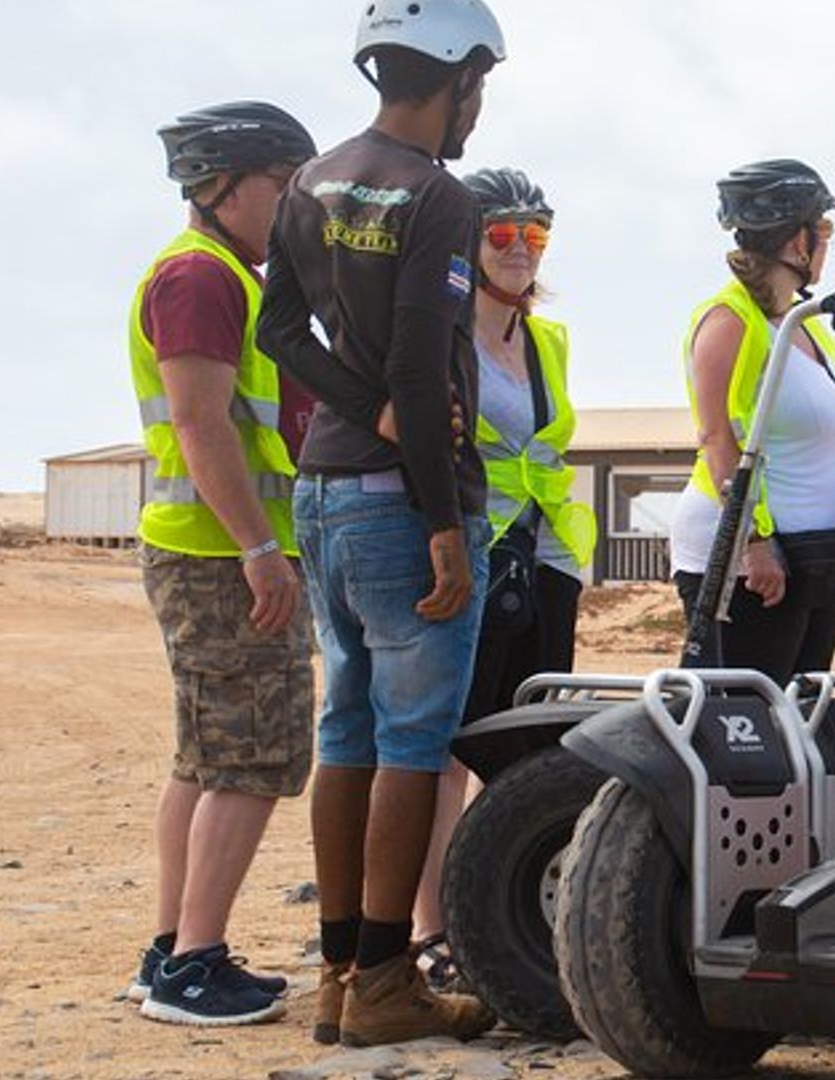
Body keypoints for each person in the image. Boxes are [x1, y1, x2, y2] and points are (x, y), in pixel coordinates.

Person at [256, 0, 504, 1048]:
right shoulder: (437, 197)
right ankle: (390, 986)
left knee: (346, 729)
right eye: (478, 89)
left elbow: (276, 330)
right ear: (455, 80)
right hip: (403, 503)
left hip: (322, 493)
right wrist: (443, 519)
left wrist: (360, 410)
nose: (478, 111)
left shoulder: (313, 179)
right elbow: (412, 358)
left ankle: (341, 978)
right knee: (411, 741)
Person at [126, 100, 318, 1028]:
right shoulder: (201, 277)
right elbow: (202, 424)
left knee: (206, 758)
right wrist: (260, 549)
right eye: (282, 188)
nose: (290, 209)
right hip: (219, 556)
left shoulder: (223, 275)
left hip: (213, 553)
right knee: (252, 756)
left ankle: (174, 947)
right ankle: (194, 964)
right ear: (220, 187)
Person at [408, 167, 596, 981]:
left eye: (536, 235)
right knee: (452, 744)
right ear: (469, 241)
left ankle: (499, 915)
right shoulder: (442, 331)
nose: (522, 249)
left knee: (524, 743)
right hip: (473, 552)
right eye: (503, 234)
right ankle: (434, 928)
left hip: (547, 556)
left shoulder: (546, 339)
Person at [668, 160, 835, 686]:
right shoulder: (729, 320)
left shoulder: (802, 324)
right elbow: (716, 434)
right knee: (744, 721)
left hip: (815, 556)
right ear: (798, 241)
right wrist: (752, 542)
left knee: (797, 717)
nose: (826, 243)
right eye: (824, 230)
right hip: (747, 558)